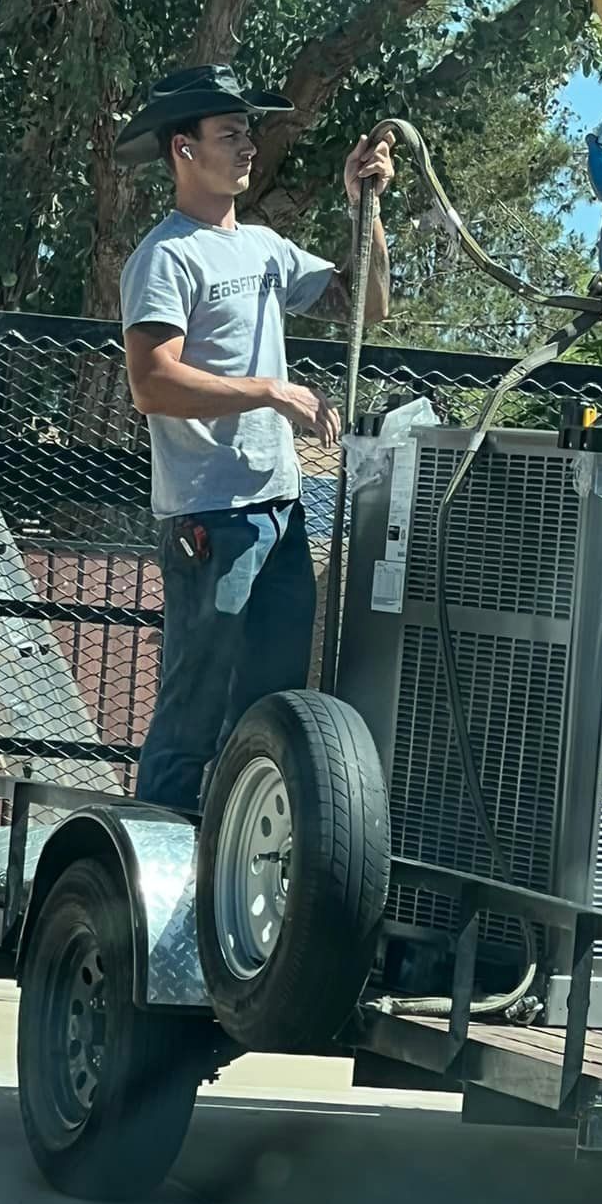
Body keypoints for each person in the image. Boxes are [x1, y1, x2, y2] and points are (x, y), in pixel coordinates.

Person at [115, 63, 394, 809]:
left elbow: (366, 303)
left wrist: (364, 207)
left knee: (269, 711)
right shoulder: (165, 258)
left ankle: (227, 873)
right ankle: (161, 870)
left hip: (281, 509)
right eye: (229, 133)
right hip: (210, 517)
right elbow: (152, 382)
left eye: (248, 132)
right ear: (183, 149)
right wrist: (270, 392)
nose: (247, 146)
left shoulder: (267, 247)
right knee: (195, 711)